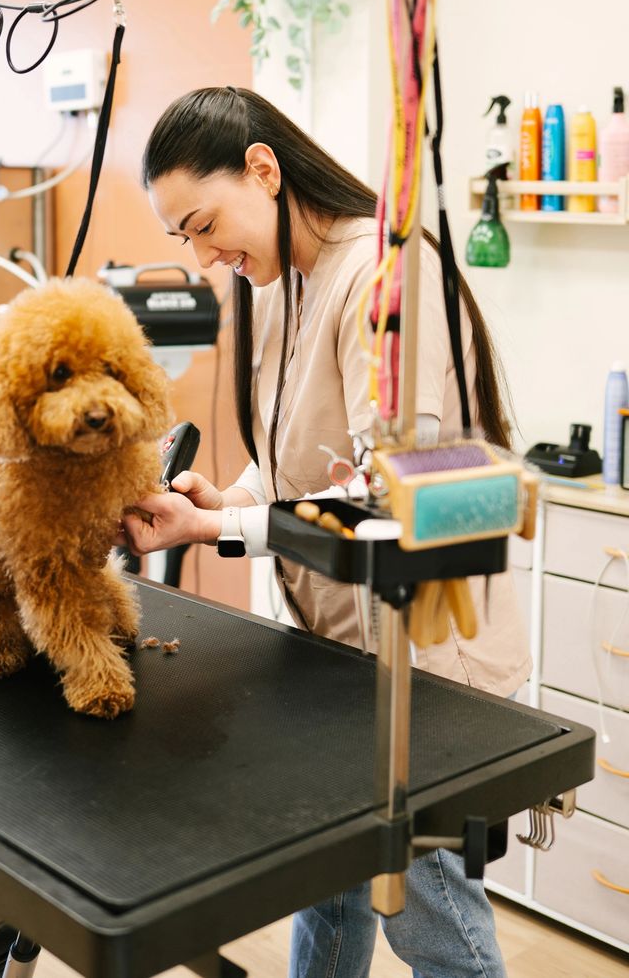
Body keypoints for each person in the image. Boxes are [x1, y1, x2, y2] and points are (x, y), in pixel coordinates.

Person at [121, 85, 530, 978]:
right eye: (181, 237)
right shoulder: (276, 283)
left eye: (201, 223)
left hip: (422, 666)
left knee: (435, 930)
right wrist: (213, 503)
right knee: (331, 892)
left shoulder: (385, 279)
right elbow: (299, 459)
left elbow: (393, 503)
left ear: (262, 169)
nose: (199, 255)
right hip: (338, 657)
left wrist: (224, 522)